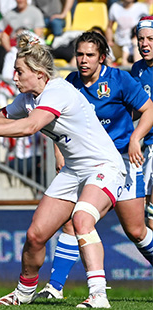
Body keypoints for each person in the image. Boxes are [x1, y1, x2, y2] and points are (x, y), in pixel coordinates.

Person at [0, 33, 126, 308]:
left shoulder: (57, 91)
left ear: (39, 74)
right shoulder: (29, 97)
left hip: (104, 166)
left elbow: (30, 126)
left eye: (19, 72)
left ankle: (98, 295)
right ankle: (24, 292)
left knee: (83, 218)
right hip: (74, 170)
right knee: (36, 235)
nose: (14, 77)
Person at [35, 30, 153, 301]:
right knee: (74, 220)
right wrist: (59, 151)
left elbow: (149, 109)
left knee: (136, 230)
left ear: (102, 58)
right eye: (79, 54)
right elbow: (56, 120)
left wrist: (136, 137)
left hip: (122, 159)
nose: (83, 60)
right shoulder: (69, 83)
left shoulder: (119, 79)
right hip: (87, 163)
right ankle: (54, 287)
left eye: (90, 55)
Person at [131, 16, 153, 230]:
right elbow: (134, 109)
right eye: (141, 39)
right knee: (147, 219)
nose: (144, 44)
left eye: (151, 38)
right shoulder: (137, 69)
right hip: (146, 146)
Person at [106, 0, 149, 66]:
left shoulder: (142, 7)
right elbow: (109, 27)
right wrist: (109, 40)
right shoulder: (115, 7)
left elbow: (147, 26)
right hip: (119, 44)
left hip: (136, 44)